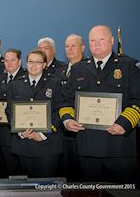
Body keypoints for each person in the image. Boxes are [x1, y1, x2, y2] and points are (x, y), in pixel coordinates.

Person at [60, 25, 140, 183]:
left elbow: (137, 99)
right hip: (88, 148)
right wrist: (68, 120)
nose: (96, 43)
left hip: (119, 146)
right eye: (92, 40)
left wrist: (124, 123)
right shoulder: (78, 69)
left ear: (111, 41)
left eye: (101, 39)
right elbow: (65, 100)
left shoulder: (129, 65)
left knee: (122, 193)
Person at [6, 49, 63, 177]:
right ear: (26, 63)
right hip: (24, 144)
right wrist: (20, 131)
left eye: (38, 62)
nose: (34, 65)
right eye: (31, 61)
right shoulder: (15, 84)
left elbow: (60, 109)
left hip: (48, 143)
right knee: (26, 188)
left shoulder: (55, 82)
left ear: (44, 65)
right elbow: (9, 111)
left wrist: (43, 133)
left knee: (46, 186)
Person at [55, 34, 85, 181]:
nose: (70, 49)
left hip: (80, 129)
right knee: (63, 172)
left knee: (80, 173)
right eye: (67, 46)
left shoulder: (88, 69)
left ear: (83, 48)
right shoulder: (59, 70)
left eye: (74, 45)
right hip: (60, 129)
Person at [0, 49, 26, 177]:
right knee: (6, 166)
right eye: (6, 60)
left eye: (13, 60)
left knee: (20, 168)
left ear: (19, 61)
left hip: (21, 132)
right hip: (2, 131)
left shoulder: (26, 77)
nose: (9, 63)